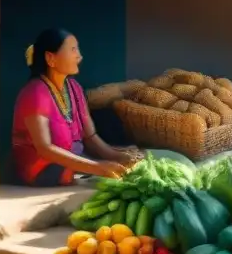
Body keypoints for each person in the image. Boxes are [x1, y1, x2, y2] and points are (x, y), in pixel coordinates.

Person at [12, 29, 139, 186]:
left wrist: (116, 156)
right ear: (50, 58)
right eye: (73, 49)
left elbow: (90, 137)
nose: (79, 56)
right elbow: (44, 149)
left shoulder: (74, 87)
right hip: (42, 170)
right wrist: (98, 167)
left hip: (73, 162)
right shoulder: (35, 93)